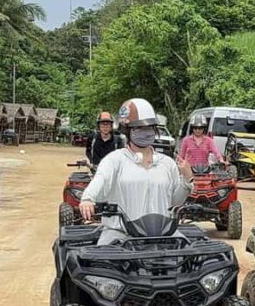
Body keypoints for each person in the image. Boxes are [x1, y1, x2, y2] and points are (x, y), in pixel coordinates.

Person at [79, 98, 194, 246]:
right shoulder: (115, 160)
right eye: (138, 128)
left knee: (189, 257)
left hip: (163, 234)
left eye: (150, 128)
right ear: (127, 130)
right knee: (100, 261)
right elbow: (101, 179)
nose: (146, 132)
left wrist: (187, 179)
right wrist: (88, 198)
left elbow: (175, 201)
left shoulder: (167, 163)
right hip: (120, 232)